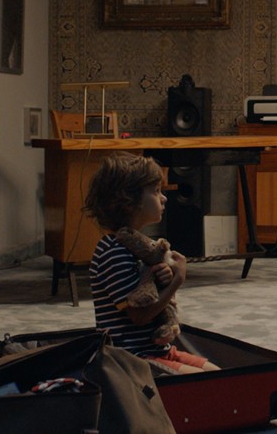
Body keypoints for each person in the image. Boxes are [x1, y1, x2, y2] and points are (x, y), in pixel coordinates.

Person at [84, 152, 220, 374]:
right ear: (129, 201)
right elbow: (139, 316)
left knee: (219, 376)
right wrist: (177, 280)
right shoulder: (113, 252)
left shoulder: (139, 247)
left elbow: (149, 291)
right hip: (131, 359)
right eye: (156, 191)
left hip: (157, 350)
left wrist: (163, 279)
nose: (164, 198)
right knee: (203, 384)